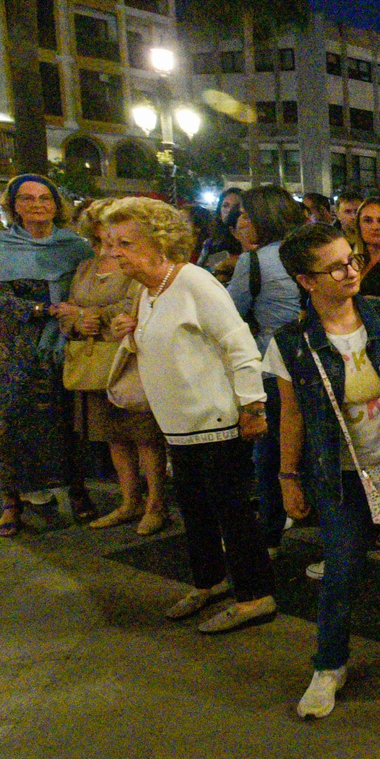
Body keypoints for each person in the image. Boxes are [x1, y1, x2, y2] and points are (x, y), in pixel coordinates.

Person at [267, 222, 380, 718]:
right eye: (337, 266)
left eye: (353, 259)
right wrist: (287, 477)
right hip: (339, 473)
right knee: (342, 570)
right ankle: (329, 664)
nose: (351, 270)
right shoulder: (291, 342)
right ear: (307, 281)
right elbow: (292, 414)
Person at [102, 197, 277, 634]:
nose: (113, 253)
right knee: (195, 512)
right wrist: (129, 332)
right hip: (178, 428)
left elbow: (240, 345)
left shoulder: (194, 281)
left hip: (215, 424)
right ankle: (210, 581)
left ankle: (256, 597)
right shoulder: (148, 292)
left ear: (158, 242)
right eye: (109, 243)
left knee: (232, 513)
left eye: (125, 242)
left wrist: (253, 407)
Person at [0, 175, 96, 536]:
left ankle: (78, 492)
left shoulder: (75, 246)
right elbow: (2, 300)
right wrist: (45, 310)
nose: (37, 205)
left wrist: (73, 314)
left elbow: (86, 289)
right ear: (14, 205)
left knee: (69, 419)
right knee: (12, 420)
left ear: (56, 204)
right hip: (17, 346)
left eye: (45, 198)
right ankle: (11, 502)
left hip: (64, 342)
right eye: (27, 199)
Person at [60, 200, 170, 535]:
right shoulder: (85, 268)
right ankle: (129, 502)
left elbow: (135, 304)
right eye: (103, 234)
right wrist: (78, 320)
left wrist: (94, 316)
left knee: (145, 436)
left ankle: (157, 505)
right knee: (113, 437)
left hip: (130, 358)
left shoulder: (136, 264)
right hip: (95, 361)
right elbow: (68, 307)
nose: (110, 244)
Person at [228, 186, 305, 553]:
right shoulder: (307, 252)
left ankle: (270, 531)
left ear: (263, 219)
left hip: (271, 368)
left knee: (271, 453)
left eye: (245, 214)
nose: (239, 222)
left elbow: (229, 312)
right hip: (314, 361)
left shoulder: (254, 262)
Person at [197, 188, 243, 277]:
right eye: (225, 206)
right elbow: (200, 271)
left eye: (235, 206)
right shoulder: (211, 243)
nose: (229, 210)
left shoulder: (248, 239)